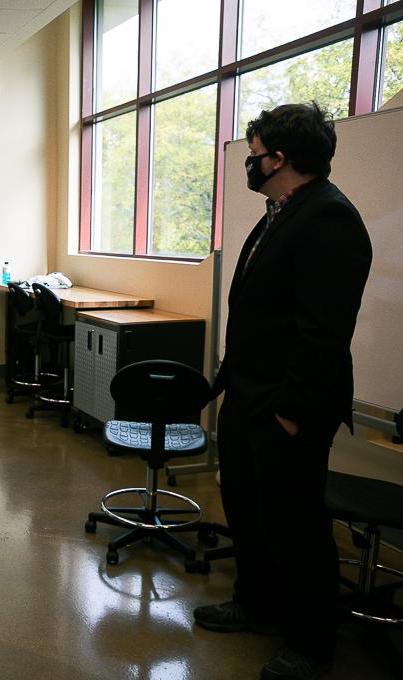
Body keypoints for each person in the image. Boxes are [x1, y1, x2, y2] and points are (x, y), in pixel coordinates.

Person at [194, 103, 372, 680]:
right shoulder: (283, 210)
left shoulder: (330, 219)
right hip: (251, 394)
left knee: (294, 524)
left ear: (282, 158)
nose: (249, 163)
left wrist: (292, 414)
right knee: (247, 508)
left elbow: (323, 333)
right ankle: (257, 602)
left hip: (289, 404)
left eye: (254, 154)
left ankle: (311, 640)